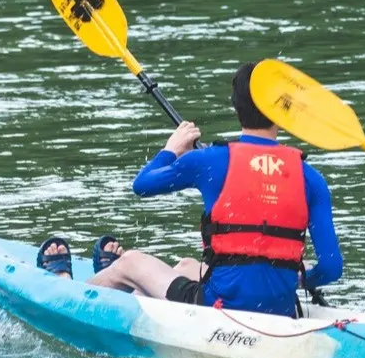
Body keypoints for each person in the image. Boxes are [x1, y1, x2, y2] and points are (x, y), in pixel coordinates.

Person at [83, 61, 343, 318]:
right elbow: (331, 268)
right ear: (281, 113)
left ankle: (74, 295)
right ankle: (131, 296)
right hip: (280, 309)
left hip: (218, 306)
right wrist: (297, 277)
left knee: (129, 262)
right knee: (186, 266)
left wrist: (172, 149)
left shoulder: (209, 160)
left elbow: (142, 185)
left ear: (235, 107)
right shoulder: (311, 177)